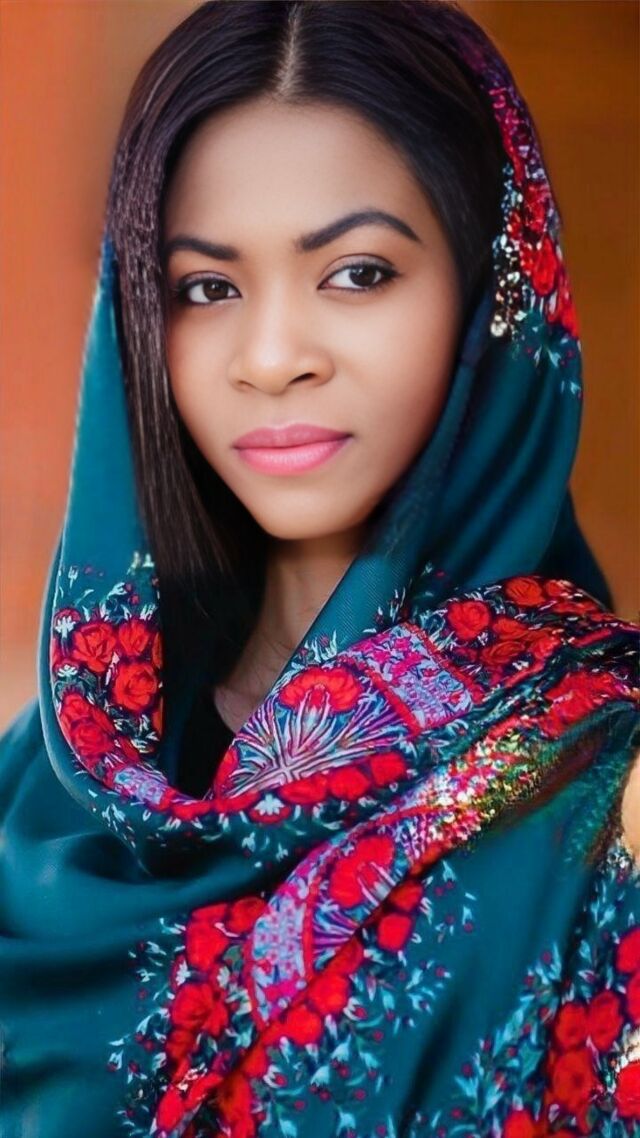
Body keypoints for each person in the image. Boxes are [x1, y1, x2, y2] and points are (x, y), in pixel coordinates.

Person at [0, 2, 638, 1135]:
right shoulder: (43, 793)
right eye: (207, 288)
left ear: (491, 295)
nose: (272, 357)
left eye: (356, 272)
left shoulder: (606, 784)